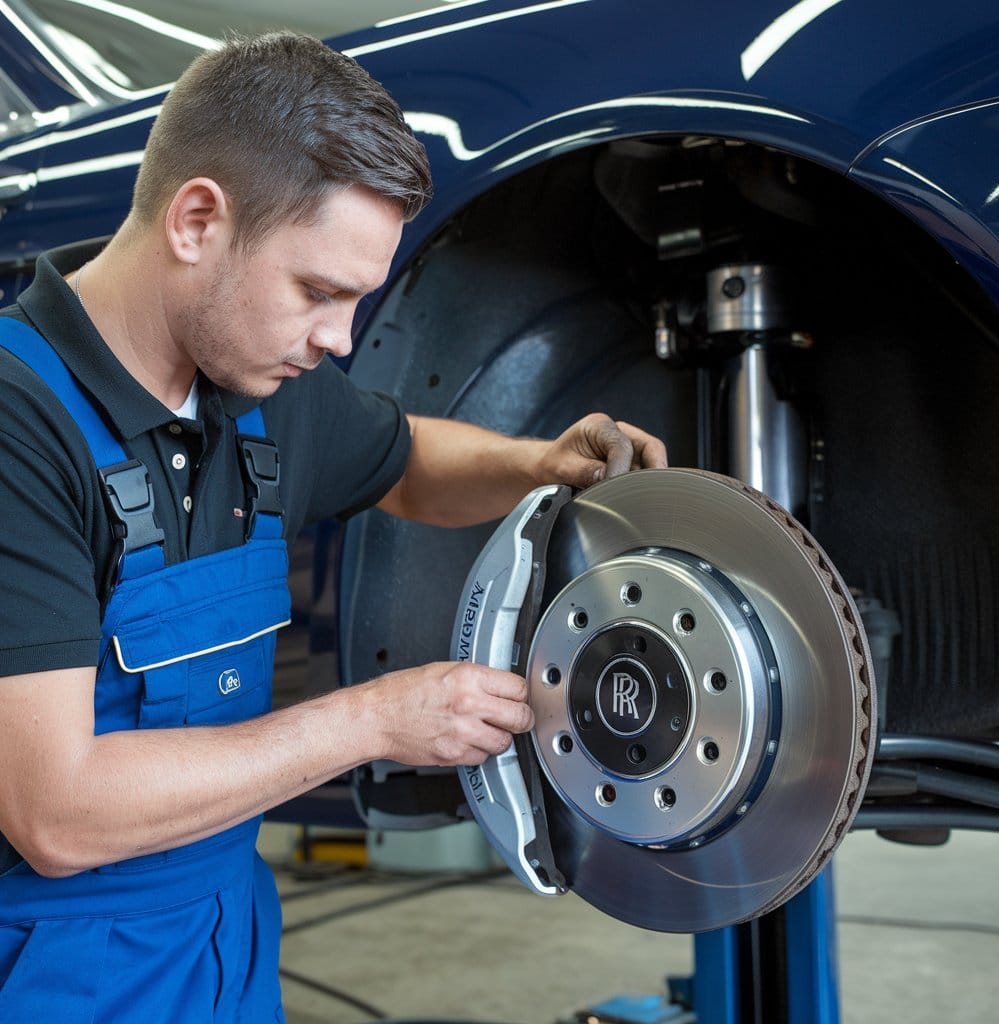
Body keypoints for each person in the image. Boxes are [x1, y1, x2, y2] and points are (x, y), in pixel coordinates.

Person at [0, 31, 667, 1022]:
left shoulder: (259, 385)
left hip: (220, 941)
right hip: (49, 969)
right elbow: (57, 812)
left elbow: (403, 460)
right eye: (318, 291)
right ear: (196, 220)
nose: (339, 338)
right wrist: (376, 718)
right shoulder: (21, 422)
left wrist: (538, 461)